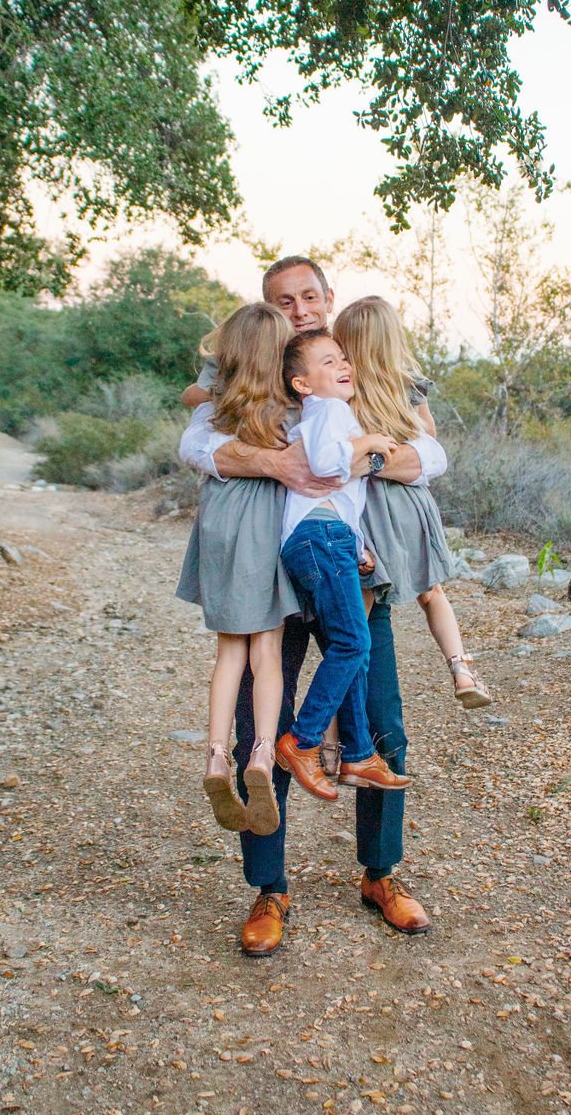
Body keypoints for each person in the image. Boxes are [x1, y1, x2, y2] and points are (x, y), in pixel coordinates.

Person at [178, 256, 434, 954]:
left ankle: (381, 874)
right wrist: (275, 463)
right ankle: (270, 888)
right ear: (268, 307)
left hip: (358, 563)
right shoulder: (254, 363)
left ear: (329, 298)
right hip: (274, 564)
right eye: (282, 299)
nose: (298, 308)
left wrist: (367, 461)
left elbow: (430, 453)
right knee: (261, 724)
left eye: (308, 296)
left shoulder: (361, 361)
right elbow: (196, 441)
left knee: (383, 721)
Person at [334, 296, 492, 709]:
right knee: (431, 591)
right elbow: (429, 438)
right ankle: (461, 667)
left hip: (370, 508)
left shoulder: (346, 393)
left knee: (358, 618)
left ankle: (333, 731)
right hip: (413, 502)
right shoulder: (408, 384)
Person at [176, 303, 297, 838]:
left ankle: (216, 756)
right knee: (265, 651)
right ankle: (262, 756)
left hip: (220, 518)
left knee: (230, 651)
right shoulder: (292, 410)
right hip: (265, 521)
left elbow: (194, 439)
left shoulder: (217, 408)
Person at [273, 329, 411, 799]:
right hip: (319, 535)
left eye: (342, 358)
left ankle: (356, 754)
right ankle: (302, 741)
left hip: (326, 537)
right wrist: (371, 439)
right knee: (354, 642)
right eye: (328, 362)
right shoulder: (330, 410)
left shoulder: (324, 412)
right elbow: (330, 469)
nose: (342, 366)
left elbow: (341, 495)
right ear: (303, 384)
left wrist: (356, 545)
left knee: (353, 647)